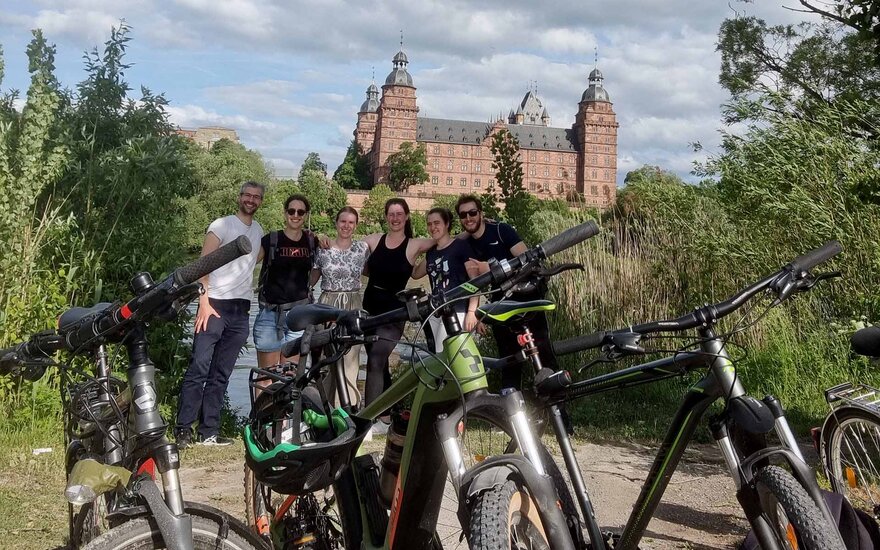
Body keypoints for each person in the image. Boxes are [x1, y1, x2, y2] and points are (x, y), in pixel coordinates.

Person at [175, 181, 265, 448]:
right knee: (199, 367)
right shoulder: (221, 225)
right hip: (214, 305)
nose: (251, 200)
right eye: (247, 195)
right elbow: (203, 262)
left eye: (256, 197)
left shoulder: (258, 230)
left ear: (260, 202)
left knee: (221, 373)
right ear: (239, 197)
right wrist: (203, 301)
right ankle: (183, 430)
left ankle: (209, 431)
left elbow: (254, 259)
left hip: (240, 310)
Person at [456, 194, 558, 390]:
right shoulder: (466, 244)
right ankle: (511, 405)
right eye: (463, 215)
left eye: (472, 213)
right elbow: (474, 283)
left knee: (542, 349)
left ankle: (557, 401)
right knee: (509, 357)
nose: (468, 218)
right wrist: (474, 313)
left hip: (526, 297)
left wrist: (493, 268)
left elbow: (528, 260)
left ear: (481, 213)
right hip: (499, 302)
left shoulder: (502, 231)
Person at [361, 199, 434, 413]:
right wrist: (321, 239)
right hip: (369, 307)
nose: (395, 218)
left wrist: (476, 229)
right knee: (379, 363)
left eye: (399, 214)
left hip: (395, 311)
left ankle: (368, 419)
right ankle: (392, 411)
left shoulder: (414, 245)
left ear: (407, 216)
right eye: (391, 214)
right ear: (386, 217)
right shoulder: (374, 240)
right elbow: (345, 245)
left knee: (375, 358)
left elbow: (445, 240)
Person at [310, 206, 370, 408]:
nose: (346, 226)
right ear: (336, 223)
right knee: (328, 358)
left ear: (356, 225)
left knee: (351, 358)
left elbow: (375, 270)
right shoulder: (323, 248)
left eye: (351, 222)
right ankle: (324, 407)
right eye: (343, 221)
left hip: (353, 304)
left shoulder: (362, 249)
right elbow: (312, 279)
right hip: (328, 304)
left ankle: (349, 408)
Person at [253, 194, 318, 372]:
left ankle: (287, 401)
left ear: (306, 215)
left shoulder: (312, 241)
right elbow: (247, 264)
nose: (295, 215)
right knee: (266, 376)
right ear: (285, 213)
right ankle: (264, 402)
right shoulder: (271, 240)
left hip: (299, 316)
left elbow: (319, 268)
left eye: (300, 212)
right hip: (270, 314)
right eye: (291, 211)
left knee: (290, 376)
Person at [413, 207, 480, 352]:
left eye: (437, 223)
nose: (432, 227)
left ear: (447, 223)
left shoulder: (461, 247)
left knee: (445, 354)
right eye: (429, 224)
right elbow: (415, 274)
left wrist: (472, 312)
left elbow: (474, 281)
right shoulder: (431, 253)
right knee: (434, 355)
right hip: (436, 310)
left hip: (458, 310)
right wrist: (414, 248)